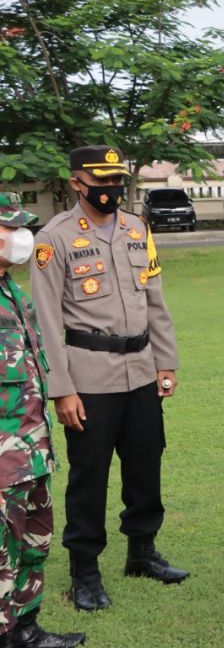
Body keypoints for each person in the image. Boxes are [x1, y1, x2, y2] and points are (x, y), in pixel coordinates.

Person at [30, 146, 187, 612]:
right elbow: (46, 320)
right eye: (100, 183)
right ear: (77, 182)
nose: (111, 190)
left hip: (140, 370)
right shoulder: (53, 238)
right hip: (89, 377)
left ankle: (142, 551)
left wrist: (166, 361)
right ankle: (85, 571)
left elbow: (154, 300)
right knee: (89, 475)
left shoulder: (137, 229)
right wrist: (62, 388)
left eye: (116, 181)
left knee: (146, 464)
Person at [0, 193, 86, 648]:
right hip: (2, 461)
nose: (21, 238)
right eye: (9, 228)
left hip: (31, 451)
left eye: (22, 227)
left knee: (33, 545)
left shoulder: (13, 291)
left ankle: (25, 630)